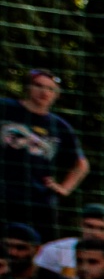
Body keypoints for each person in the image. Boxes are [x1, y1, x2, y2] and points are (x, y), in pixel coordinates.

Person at [0, 69, 88, 233]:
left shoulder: (60, 126)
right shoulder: (5, 107)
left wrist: (64, 188)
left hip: (37, 200)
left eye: (51, 89)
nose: (44, 92)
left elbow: (81, 164)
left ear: (57, 94)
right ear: (28, 87)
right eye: (39, 86)